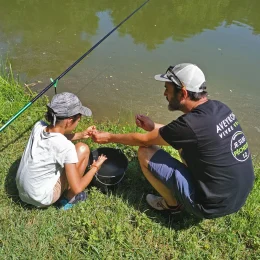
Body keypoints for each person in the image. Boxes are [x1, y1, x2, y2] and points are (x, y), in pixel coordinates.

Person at [91, 63, 255, 219]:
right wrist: (153, 126)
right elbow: (183, 133)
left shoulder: (190, 125)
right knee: (184, 147)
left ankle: (172, 206)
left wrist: (109, 137)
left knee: (145, 152)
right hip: (237, 196)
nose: (165, 94)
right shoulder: (219, 108)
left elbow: (143, 140)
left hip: (209, 205)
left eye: (167, 89)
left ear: (183, 93)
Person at [16, 92, 107, 209]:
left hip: (23, 192)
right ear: (69, 121)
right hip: (41, 198)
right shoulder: (66, 147)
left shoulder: (38, 126)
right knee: (82, 149)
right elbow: (77, 187)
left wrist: (80, 135)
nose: (78, 123)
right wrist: (95, 167)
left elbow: (54, 139)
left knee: (77, 148)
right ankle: (69, 200)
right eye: (78, 120)